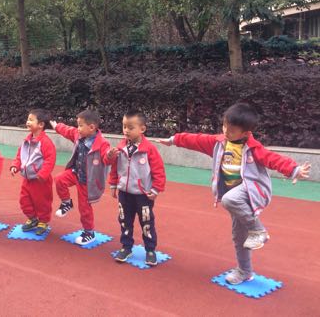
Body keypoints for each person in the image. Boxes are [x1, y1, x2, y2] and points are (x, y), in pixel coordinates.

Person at [157, 102, 311, 284]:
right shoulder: (219, 143)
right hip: (237, 200)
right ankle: (245, 271)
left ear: (245, 133)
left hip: (250, 191)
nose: (226, 132)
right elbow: (195, 140)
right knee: (239, 238)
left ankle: (258, 230)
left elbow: (273, 159)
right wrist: (173, 140)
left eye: (231, 130)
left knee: (228, 200)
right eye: (224, 126)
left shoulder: (254, 149)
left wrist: (294, 169)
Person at [107, 111, 166, 266]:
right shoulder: (120, 148)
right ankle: (126, 247)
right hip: (124, 193)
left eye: (130, 127)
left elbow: (159, 171)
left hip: (143, 195)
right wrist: (113, 184)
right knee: (124, 221)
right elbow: (114, 168)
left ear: (142, 129)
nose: (126, 130)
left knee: (146, 222)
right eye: (124, 126)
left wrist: (155, 190)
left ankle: (150, 250)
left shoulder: (149, 149)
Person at [51, 110, 111, 246]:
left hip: (87, 181)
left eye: (80, 125)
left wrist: (110, 156)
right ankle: (66, 202)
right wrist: (56, 126)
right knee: (59, 179)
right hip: (75, 173)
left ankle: (89, 232)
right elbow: (68, 130)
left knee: (84, 208)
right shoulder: (78, 135)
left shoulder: (102, 144)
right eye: (77, 125)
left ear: (91, 127)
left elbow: (106, 158)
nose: (77, 128)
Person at [10, 109, 56, 235]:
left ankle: (43, 221)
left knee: (42, 202)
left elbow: (50, 160)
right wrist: (15, 166)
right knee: (24, 200)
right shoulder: (26, 140)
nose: (27, 122)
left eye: (31, 120)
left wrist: (43, 174)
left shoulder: (45, 142)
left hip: (40, 180)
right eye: (28, 119)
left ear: (41, 124)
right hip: (27, 178)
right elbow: (20, 155)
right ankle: (32, 218)